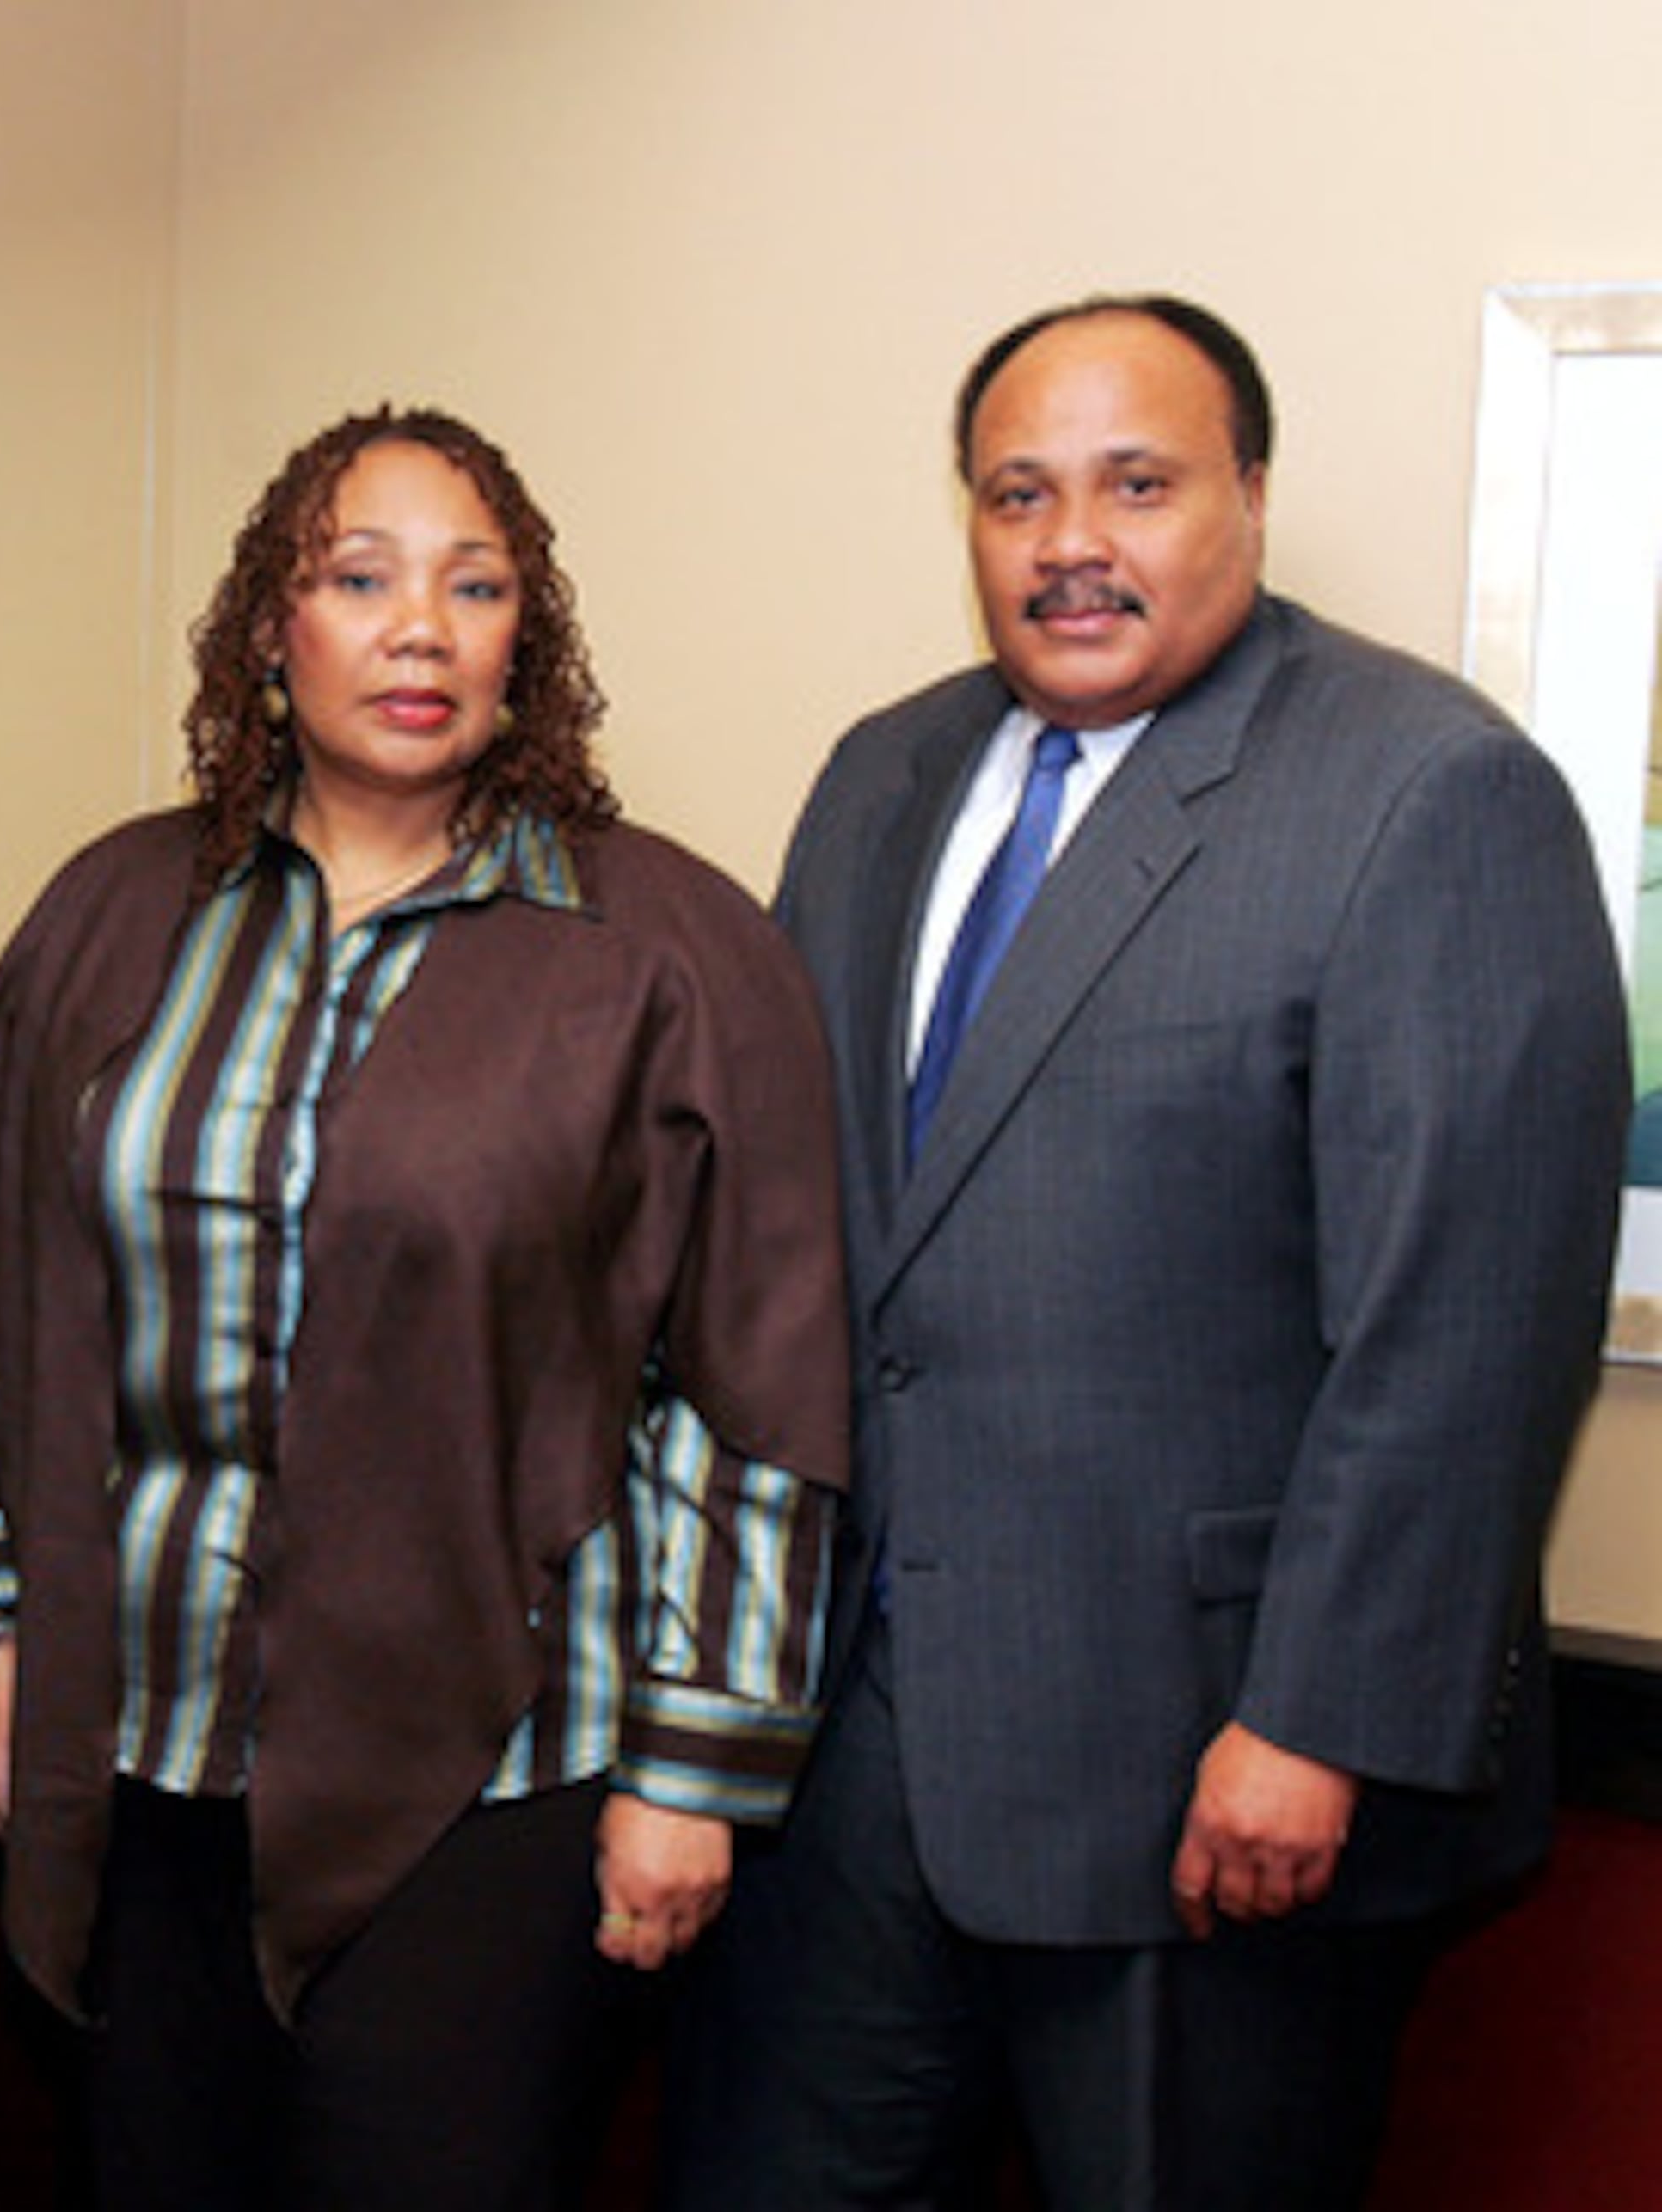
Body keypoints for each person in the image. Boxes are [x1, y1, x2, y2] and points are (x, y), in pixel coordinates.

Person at [663, 296, 1631, 2211]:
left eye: (1137, 483)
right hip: (852, 1767)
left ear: (1250, 500)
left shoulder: (1427, 791)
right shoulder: (879, 781)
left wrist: (1317, 1721)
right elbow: (785, 1240)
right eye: (1019, 493)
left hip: (1215, 1776)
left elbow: (1468, 1323)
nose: (1071, 541)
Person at [0, 406, 851, 2211]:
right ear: (272, 628)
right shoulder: (113, 916)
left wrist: (700, 1773)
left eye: (474, 587)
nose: (421, 627)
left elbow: (752, 1390)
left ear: (525, 641)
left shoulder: (664, 951)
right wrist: (6, 1636)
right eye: (361, 578)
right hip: (146, 1755)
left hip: (497, 1785)